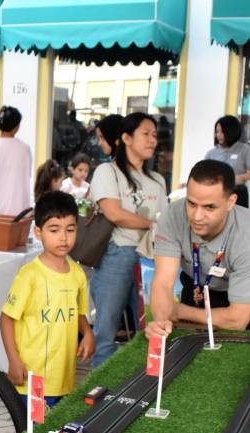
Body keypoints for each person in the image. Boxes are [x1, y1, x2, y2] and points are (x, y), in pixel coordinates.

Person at [145, 160, 250, 339]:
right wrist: (160, 321)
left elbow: (237, 320)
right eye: (191, 203)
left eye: (209, 207)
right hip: (196, 288)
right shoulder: (172, 215)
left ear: (230, 202)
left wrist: (178, 311)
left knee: (239, 356)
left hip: (243, 295)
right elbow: (163, 282)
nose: (197, 216)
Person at [0, 191, 93, 407]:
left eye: (70, 230)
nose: (63, 237)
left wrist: (87, 333)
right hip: (32, 378)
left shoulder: (78, 273)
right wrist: (13, 361)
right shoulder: (29, 275)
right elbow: (6, 319)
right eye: (54, 230)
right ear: (38, 232)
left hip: (64, 378)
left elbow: (78, 313)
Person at [89, 112, 167, 367]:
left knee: (151, 326)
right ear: (126, 138)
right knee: (106, 331)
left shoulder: (157, 180)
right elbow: (114, 214)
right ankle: (97, 393)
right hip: (117, 255)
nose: (152, 140)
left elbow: (164, 220)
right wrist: (152, 223)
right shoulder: (107, 172)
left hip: (151, 259)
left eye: (154, 135)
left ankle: (143, 387)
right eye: (145, 134)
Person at [205, 115, 250, 208]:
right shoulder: (211, 153)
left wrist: (241, 178)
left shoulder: (244, 149)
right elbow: (203, 174)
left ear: (231, 131)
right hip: (217, 193)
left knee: (239, 220)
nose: (219, 135)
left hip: (238, 193)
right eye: (217, 132)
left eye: (222, 131)